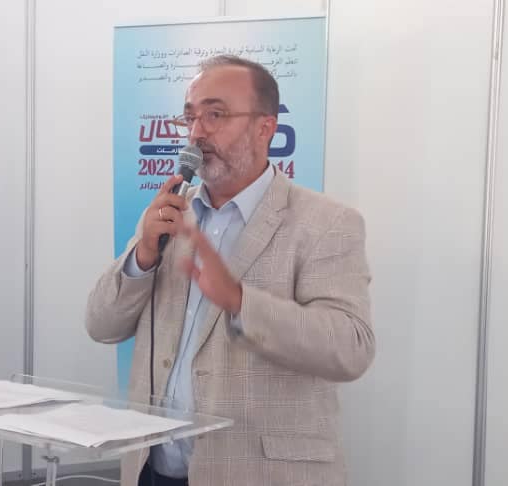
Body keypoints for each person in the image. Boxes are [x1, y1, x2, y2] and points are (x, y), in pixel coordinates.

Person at [85, 55, 375, 486]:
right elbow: (100, 324)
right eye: (190, 117)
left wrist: (241, 303)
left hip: (263, 474)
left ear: (265, 128)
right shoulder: (169, 215)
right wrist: (143, 255)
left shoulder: (327, 223)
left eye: (215, 115)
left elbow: (351, 349)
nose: (196, 133)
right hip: (153, 471)